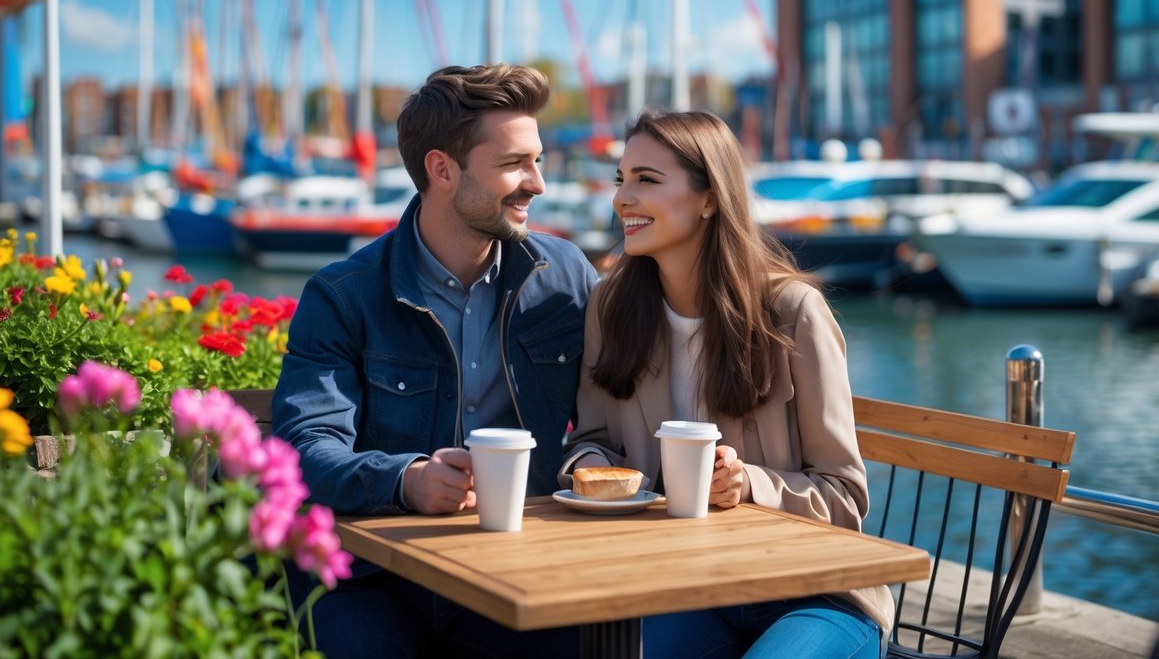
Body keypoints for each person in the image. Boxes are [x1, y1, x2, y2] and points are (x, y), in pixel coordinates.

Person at [273, 63, 597, 658]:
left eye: (538, 160)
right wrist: (406, 480)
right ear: (442, 169)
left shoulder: (568, 278)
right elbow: (304, 448)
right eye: (513, 164)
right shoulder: (343, 295)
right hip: (372, 577)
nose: (537, 184)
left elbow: (615, 410)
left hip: (520, 571)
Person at [561, 109, 892, 659]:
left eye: (646, 179)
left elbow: (846, 497)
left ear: (709, 197)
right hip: (684, 587)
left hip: (814, 593)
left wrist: (747, 485)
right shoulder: (609, 307)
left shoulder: (792, 312)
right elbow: (590, 442)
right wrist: (592, 472)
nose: (622, 198)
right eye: (622, 179)